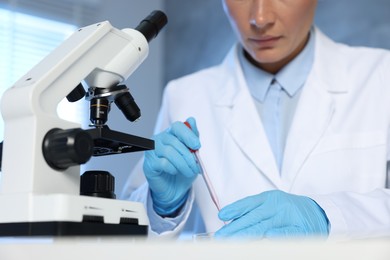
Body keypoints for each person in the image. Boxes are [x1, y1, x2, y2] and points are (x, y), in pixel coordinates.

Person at [122, 0, 390, 240]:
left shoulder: (381, 75)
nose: (260, 19)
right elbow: (128, 230)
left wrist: (328, 216)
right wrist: (163, 207)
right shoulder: (185, 95)